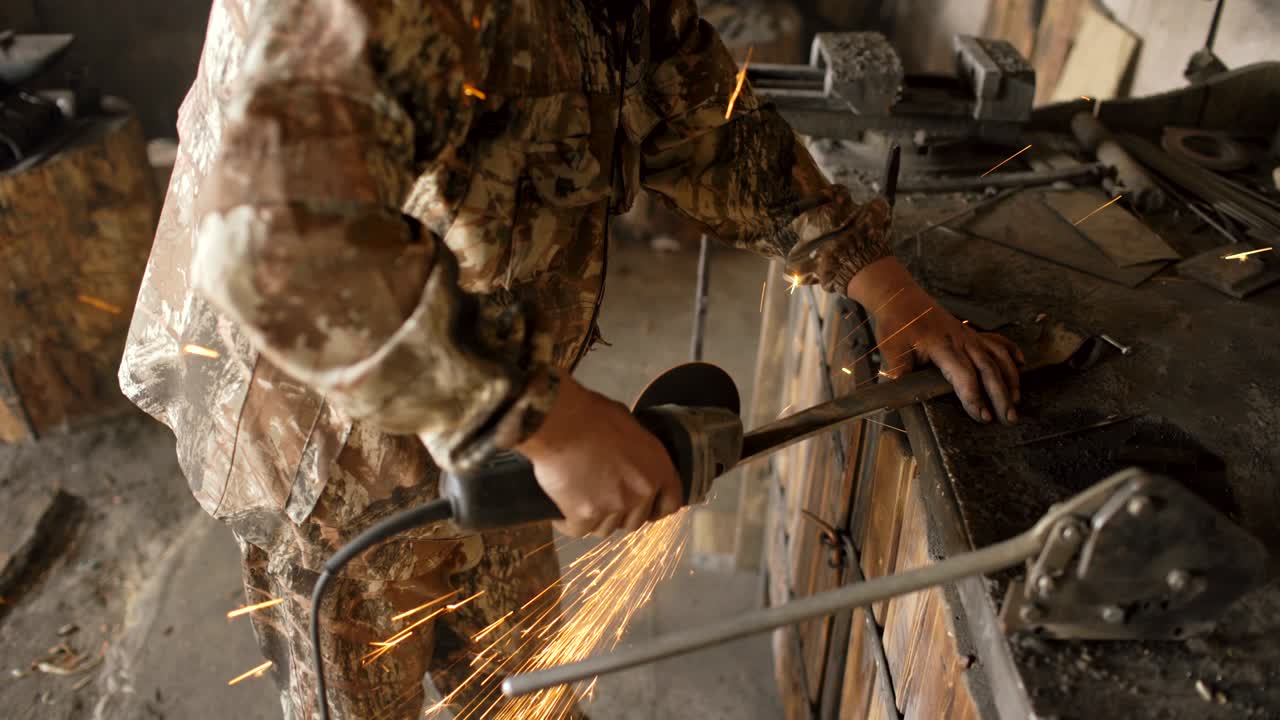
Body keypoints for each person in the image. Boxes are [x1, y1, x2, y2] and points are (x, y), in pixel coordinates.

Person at [120, 1, 1022, 717]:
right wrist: (544, 423)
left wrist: (884, 285)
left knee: (524, 687)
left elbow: (700, 119)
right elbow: (273, 249)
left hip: (507, 396)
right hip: (326, 439)